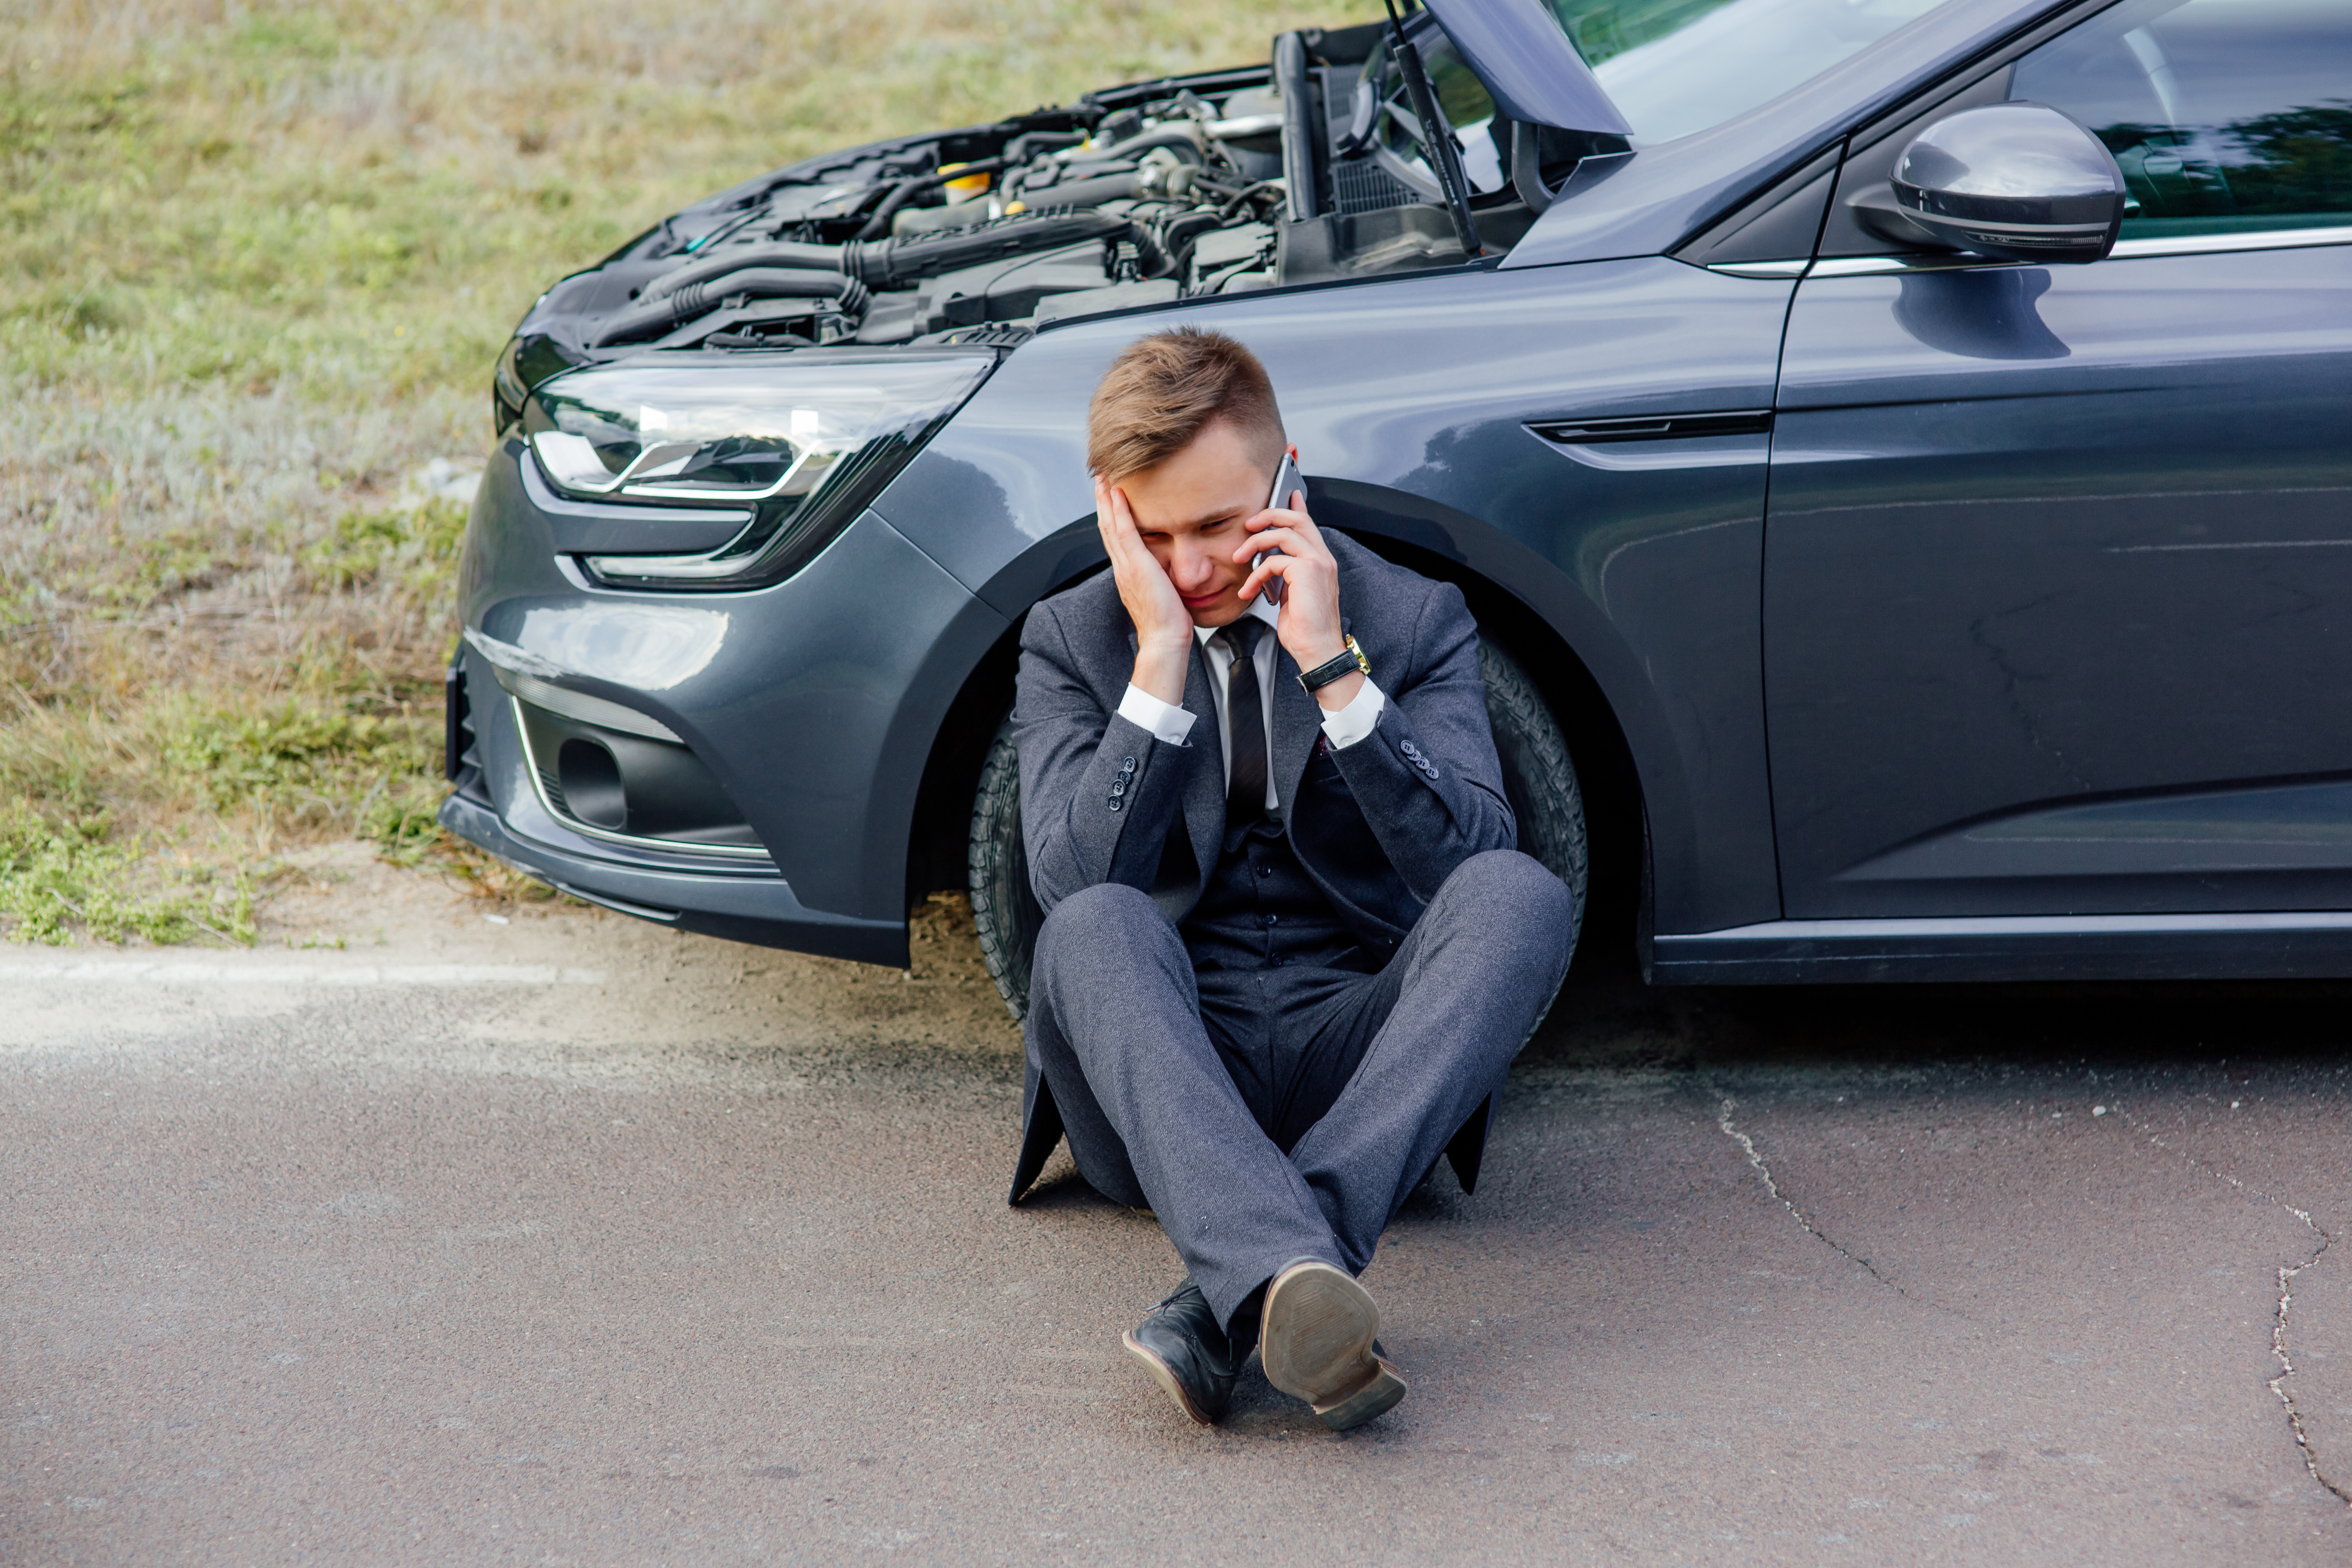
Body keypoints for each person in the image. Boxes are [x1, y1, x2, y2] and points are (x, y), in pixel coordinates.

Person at [1006, 325, 1574, 1430]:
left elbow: (1471, 861)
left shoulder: (1407, 619)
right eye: (1156, 534)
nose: (1196, 568)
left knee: (1524, 897)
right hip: (1161, 1086)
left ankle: (1241, 1291)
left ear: (1287, 480)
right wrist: (1160, 659)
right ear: (1112, 513)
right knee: (1097, 927)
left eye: (1219, 524)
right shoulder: (1071, 640)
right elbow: (1071, 883)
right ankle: (1289, 1278)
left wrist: (1331, 667)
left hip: (1354, 1065)